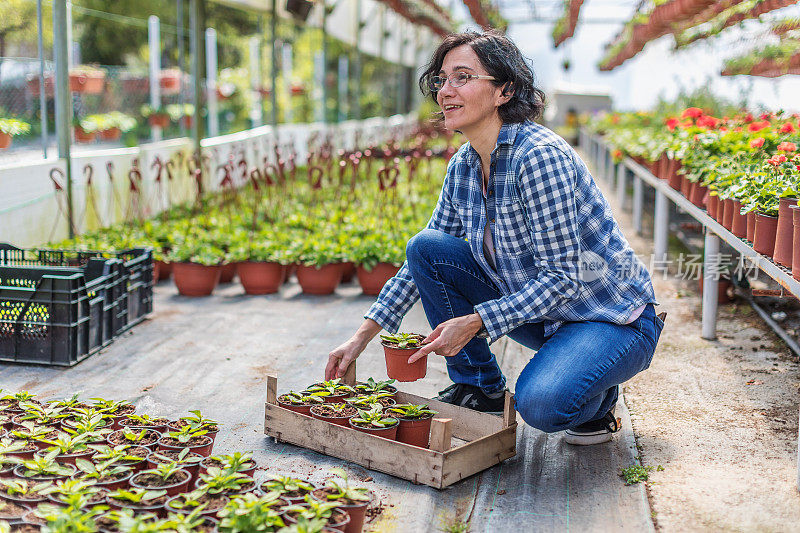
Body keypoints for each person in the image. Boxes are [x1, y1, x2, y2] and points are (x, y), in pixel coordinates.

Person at [325, 30, 664, 445]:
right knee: (426, 248)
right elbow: (423, 261)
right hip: (541, 314)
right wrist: (360, 338)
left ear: (505, 90)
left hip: (607, 316)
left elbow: (566, 278)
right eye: (441, 79)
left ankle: (599, 395)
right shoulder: (465, 165)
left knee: (541, 405)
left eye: (462, 77)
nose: (446, 91)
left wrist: (475, 321)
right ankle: (479, 386)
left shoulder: (538, 159)